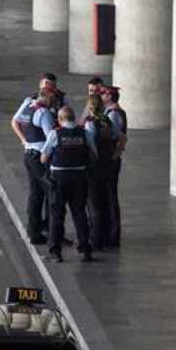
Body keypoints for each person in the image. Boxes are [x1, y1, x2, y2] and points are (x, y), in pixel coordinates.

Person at [41, 105, 97, 262]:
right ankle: (85, 250)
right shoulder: (84, 133)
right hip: (79, 176)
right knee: (79, 213)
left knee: (56, 215)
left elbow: (43, 158)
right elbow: (94, 154)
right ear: (73, 118)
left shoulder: (55, 134)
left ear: (60, 119)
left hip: (58, 177)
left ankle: (55, 252)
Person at [11, 90, 57, 244]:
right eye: (53, 99)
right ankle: (53, 232)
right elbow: (51, 138)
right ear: (48, 97)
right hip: (40, 158)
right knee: (52, 192)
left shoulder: (27, 105)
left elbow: (15, 120)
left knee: (35, 194)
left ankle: (34, 232)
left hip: (29, 155)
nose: (54, 103)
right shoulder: (44, 113)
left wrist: (24, 140)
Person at [82, 94, 121, 251]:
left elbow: (91, 146)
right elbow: (120, 137)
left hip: (94, 168)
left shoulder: (90, 124)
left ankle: (95, 239)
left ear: (90, 107)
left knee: (94, 203)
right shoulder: (107, 121)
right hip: (108, 165)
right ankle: (106, 237)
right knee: (107, 200)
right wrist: (115, 154)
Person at [100, 86, 128, 248]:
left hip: (110, 160)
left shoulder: (114, 114)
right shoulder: (110, 112)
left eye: (102, 93)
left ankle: (112, 235)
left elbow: (121, 138)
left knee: (110, 196)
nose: (100, 96)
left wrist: (115, 155)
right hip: (110, 159)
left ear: (110, 96)